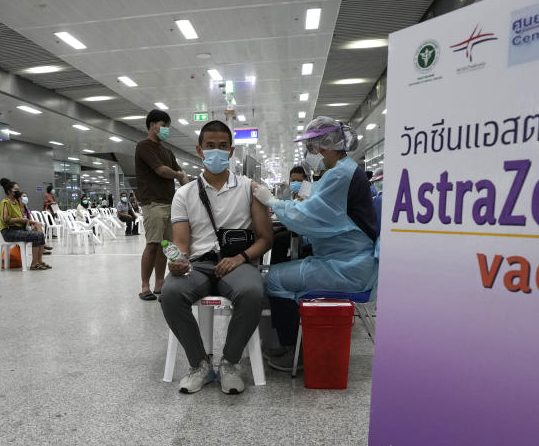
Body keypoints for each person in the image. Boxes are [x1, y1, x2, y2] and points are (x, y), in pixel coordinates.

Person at [252, 117, 378, 370]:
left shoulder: (341, 174)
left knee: (274, 278)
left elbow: (308, 218)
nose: (311, 153)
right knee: (288, 264)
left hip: (348, 267)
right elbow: (320, 213)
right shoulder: (342, 170)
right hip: (346, 259)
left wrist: (273, 203)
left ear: (322, 146)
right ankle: (294, 338)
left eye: (311, 146)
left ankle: (293, 352)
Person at [161, 120, 272, 394]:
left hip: (236, 262)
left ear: (231, 151)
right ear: (200, 150)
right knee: (171, 293)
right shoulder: (184, 194)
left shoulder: (249, 189)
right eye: (210, 146)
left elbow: (266, 239)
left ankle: (230, 362)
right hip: (198, 264)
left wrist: (241, 257)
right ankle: (200, 364)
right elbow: (181, 243)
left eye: (223, 147)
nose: (216, 152)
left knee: (251, 291)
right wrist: (177, 262)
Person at [135, 108, 188, 301]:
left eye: (168, 127)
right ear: (153, 125)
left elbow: (180, 172)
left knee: (166, 246)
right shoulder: (144, 146)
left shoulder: (167, 151)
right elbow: (162, 171)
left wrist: (191, 190)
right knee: (152, 244)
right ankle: (145, 286)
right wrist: (178, 175)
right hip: (153, 203)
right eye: (164, 126)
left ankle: (159, 284)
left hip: (169, 203)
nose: (166, 130)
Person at [0, 178, 51, 270]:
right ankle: (34, 264)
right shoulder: (5, 202)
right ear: (9, 191)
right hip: (9, 231)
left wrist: (32, 222)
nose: (18, 191)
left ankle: (39, 261)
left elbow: (23, 219)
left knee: (40, 235)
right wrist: (20, 219)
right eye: (16, 190)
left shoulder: (17, 203)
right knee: (36, 236)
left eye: (18, 189)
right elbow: (5, 219)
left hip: (19, 229)